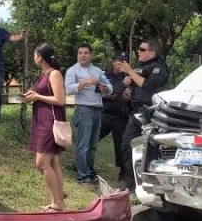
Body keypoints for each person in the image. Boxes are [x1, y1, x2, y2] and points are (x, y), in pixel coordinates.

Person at [116, 38, 171, 191]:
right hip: (136, 113)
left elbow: (147, 85)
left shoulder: (159, 68)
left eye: (142, 49)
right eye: (138, 49)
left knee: (152, 150)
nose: (138, 52)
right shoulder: (140, 67)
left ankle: (152, 184)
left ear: (152, 52)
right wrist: (128, 87)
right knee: (127, 146)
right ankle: (130, 186)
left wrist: (130, 72)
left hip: (153, 116)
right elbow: (135, 87)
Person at [23, 43, 67, 212]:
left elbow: (60, 100)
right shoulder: (44, 74)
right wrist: (33, 96)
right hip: (41, 120)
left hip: (50, 122)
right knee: (53, 162)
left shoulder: (54, 74)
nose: (34, 58)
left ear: (39, 57)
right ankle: (58, 202)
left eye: (35, 55)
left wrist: (37, 96)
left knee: (41, 162)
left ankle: (58, 204)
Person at [64, 44, 112, 185]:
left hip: (98, 109)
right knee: (83, 145)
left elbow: (110, 87)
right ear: (77, 55)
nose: (83, 55)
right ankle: (83, 176)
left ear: (90, 55)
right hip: (84, 110)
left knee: (93, 145)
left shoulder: (97, 71)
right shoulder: (73, 71)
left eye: (86, 53)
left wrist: (105, 88)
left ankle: (90, 172)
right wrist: (84, 82)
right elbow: (68, 89)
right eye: (80, 53)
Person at [98, 50, 131, 183]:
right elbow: (103, 90)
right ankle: (83, 164)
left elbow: (129, 95)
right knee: (92, 138)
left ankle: (123, 171)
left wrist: (116, 92)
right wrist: (119, 88)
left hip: (120, 115)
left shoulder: (130, 76)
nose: (120, 65)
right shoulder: (104, 75)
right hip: (105, 113)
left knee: (121, 145)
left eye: (123, 63)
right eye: (118, 62)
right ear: (113, 62)